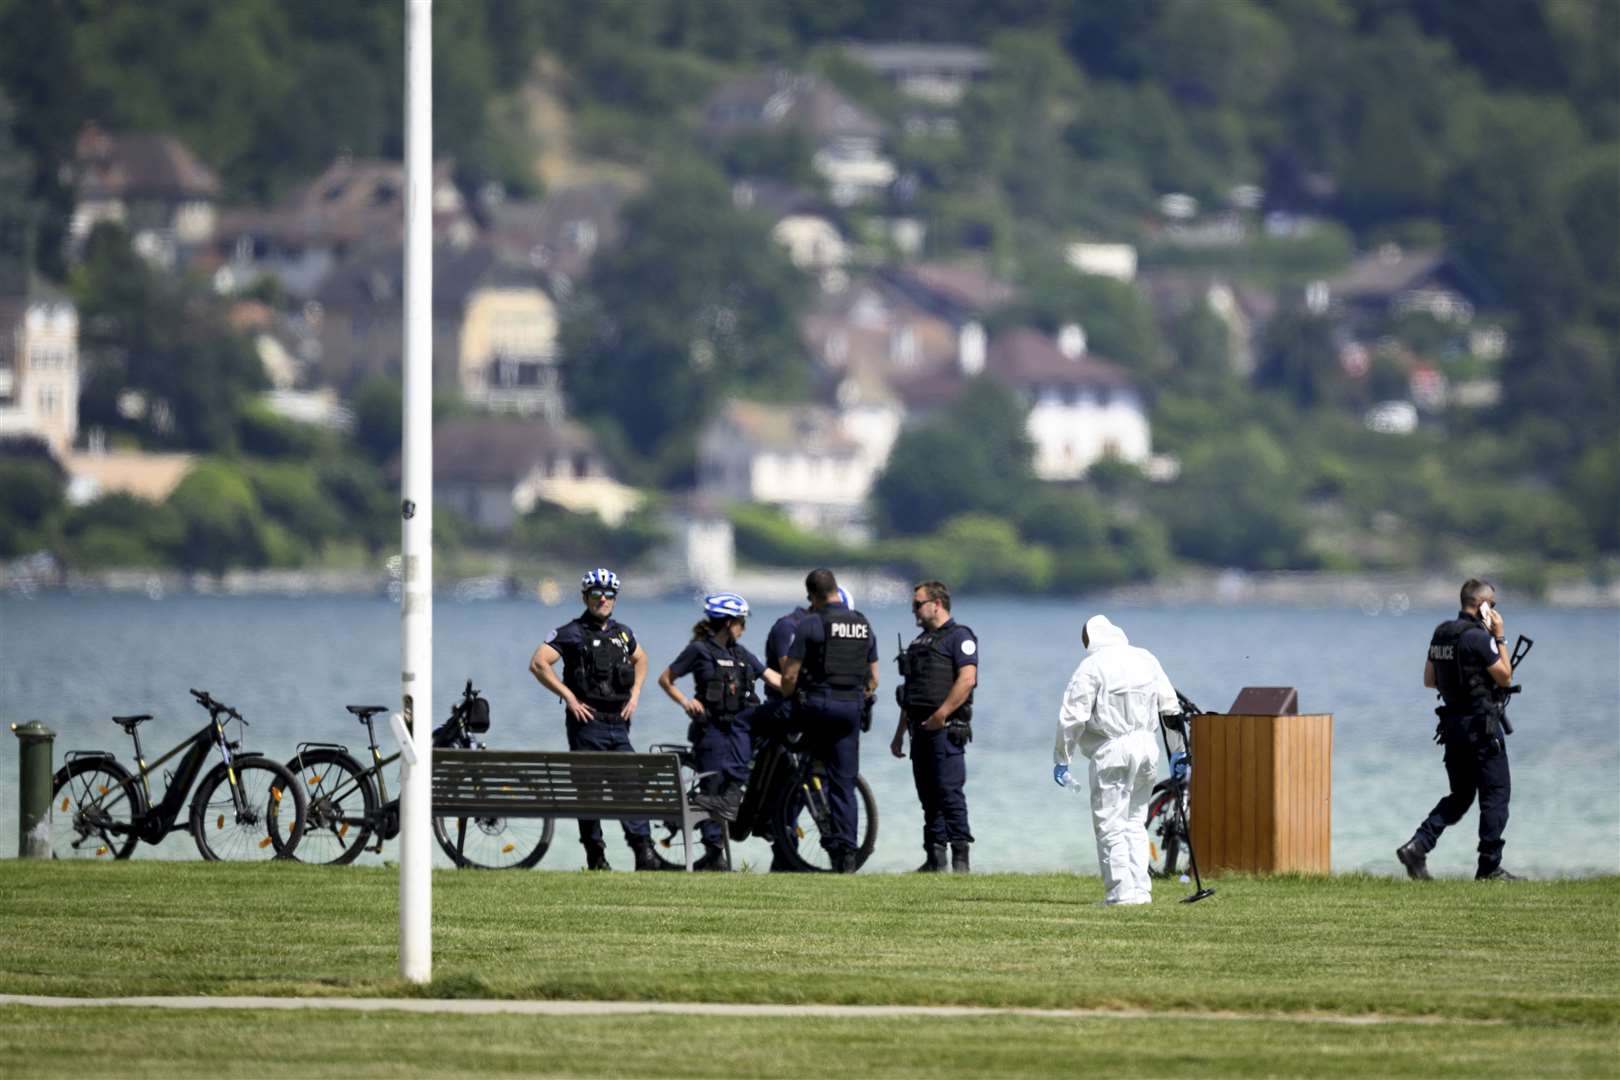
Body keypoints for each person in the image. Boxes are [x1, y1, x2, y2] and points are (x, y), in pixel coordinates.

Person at [528, 567, 661, 871]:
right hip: (587, 726)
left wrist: (636, 693)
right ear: (585, 597)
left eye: (609, 594)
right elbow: (538, 663)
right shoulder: (571, 632)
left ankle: (644, 853)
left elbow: (642, 658)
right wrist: (570, 697)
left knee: (630, 788)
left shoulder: (623, 633)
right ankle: (596, 856)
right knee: (589, 792)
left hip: (619, 723)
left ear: (615, 598)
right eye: (596, 594)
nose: (603, 599)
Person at [1052, 614, 1181, 905]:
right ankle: (1140, 892)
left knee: (1110, 823)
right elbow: (1170, 706)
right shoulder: (1145, 658)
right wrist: (1178, 750)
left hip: (1112, 750)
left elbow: (1071, 717)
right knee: (1135, 821)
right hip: (1148, 747)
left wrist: (1062, 757)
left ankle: (1119, 895)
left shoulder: (1091, 666)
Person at [1396, 579, 1520, 881]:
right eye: (1494, 605)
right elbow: (1504, 677)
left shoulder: (1442, 633)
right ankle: (1489, 867)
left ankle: (1418, 846)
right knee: (1496, 793)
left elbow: (1429, 679)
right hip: (1481, 728)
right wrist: (1500, 637)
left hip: (1452, 727)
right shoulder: (1479, 638)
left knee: (1461, 794)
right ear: (1484, 606)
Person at [656, 592, 780, 870]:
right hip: (710, 730)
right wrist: (686, 702)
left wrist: (798, 686)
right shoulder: (699, 650)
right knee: (713, 788)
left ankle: (757, 824)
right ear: (728, 623)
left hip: (740, 730)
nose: (744, 628)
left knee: (736, 785)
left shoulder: (741, 653)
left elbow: (772, 677)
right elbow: (666, 679)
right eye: (741, 622)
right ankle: (714, 856)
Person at [779, 569, 878, 873]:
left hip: (818, 710)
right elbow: (873, 678)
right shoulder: (862, 624)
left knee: (793, 753)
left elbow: (790, 676)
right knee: (844, 783)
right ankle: (846, 853)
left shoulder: (811, 623)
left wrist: (788, 695)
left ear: (813, 596)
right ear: (835, 589)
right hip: (850, 711)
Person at [889, 580, 978, 873]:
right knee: (928, 796)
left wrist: (942, 714)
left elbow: (967, 680)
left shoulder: (959, 637)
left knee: (949, 793)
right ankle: (934, 858)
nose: (914, 610)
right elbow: (911, 691)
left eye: (918, 604)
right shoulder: (918, 643)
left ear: (936, 604)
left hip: (946, 727)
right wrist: (899, 733)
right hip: (918, 728)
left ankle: (960, 861)